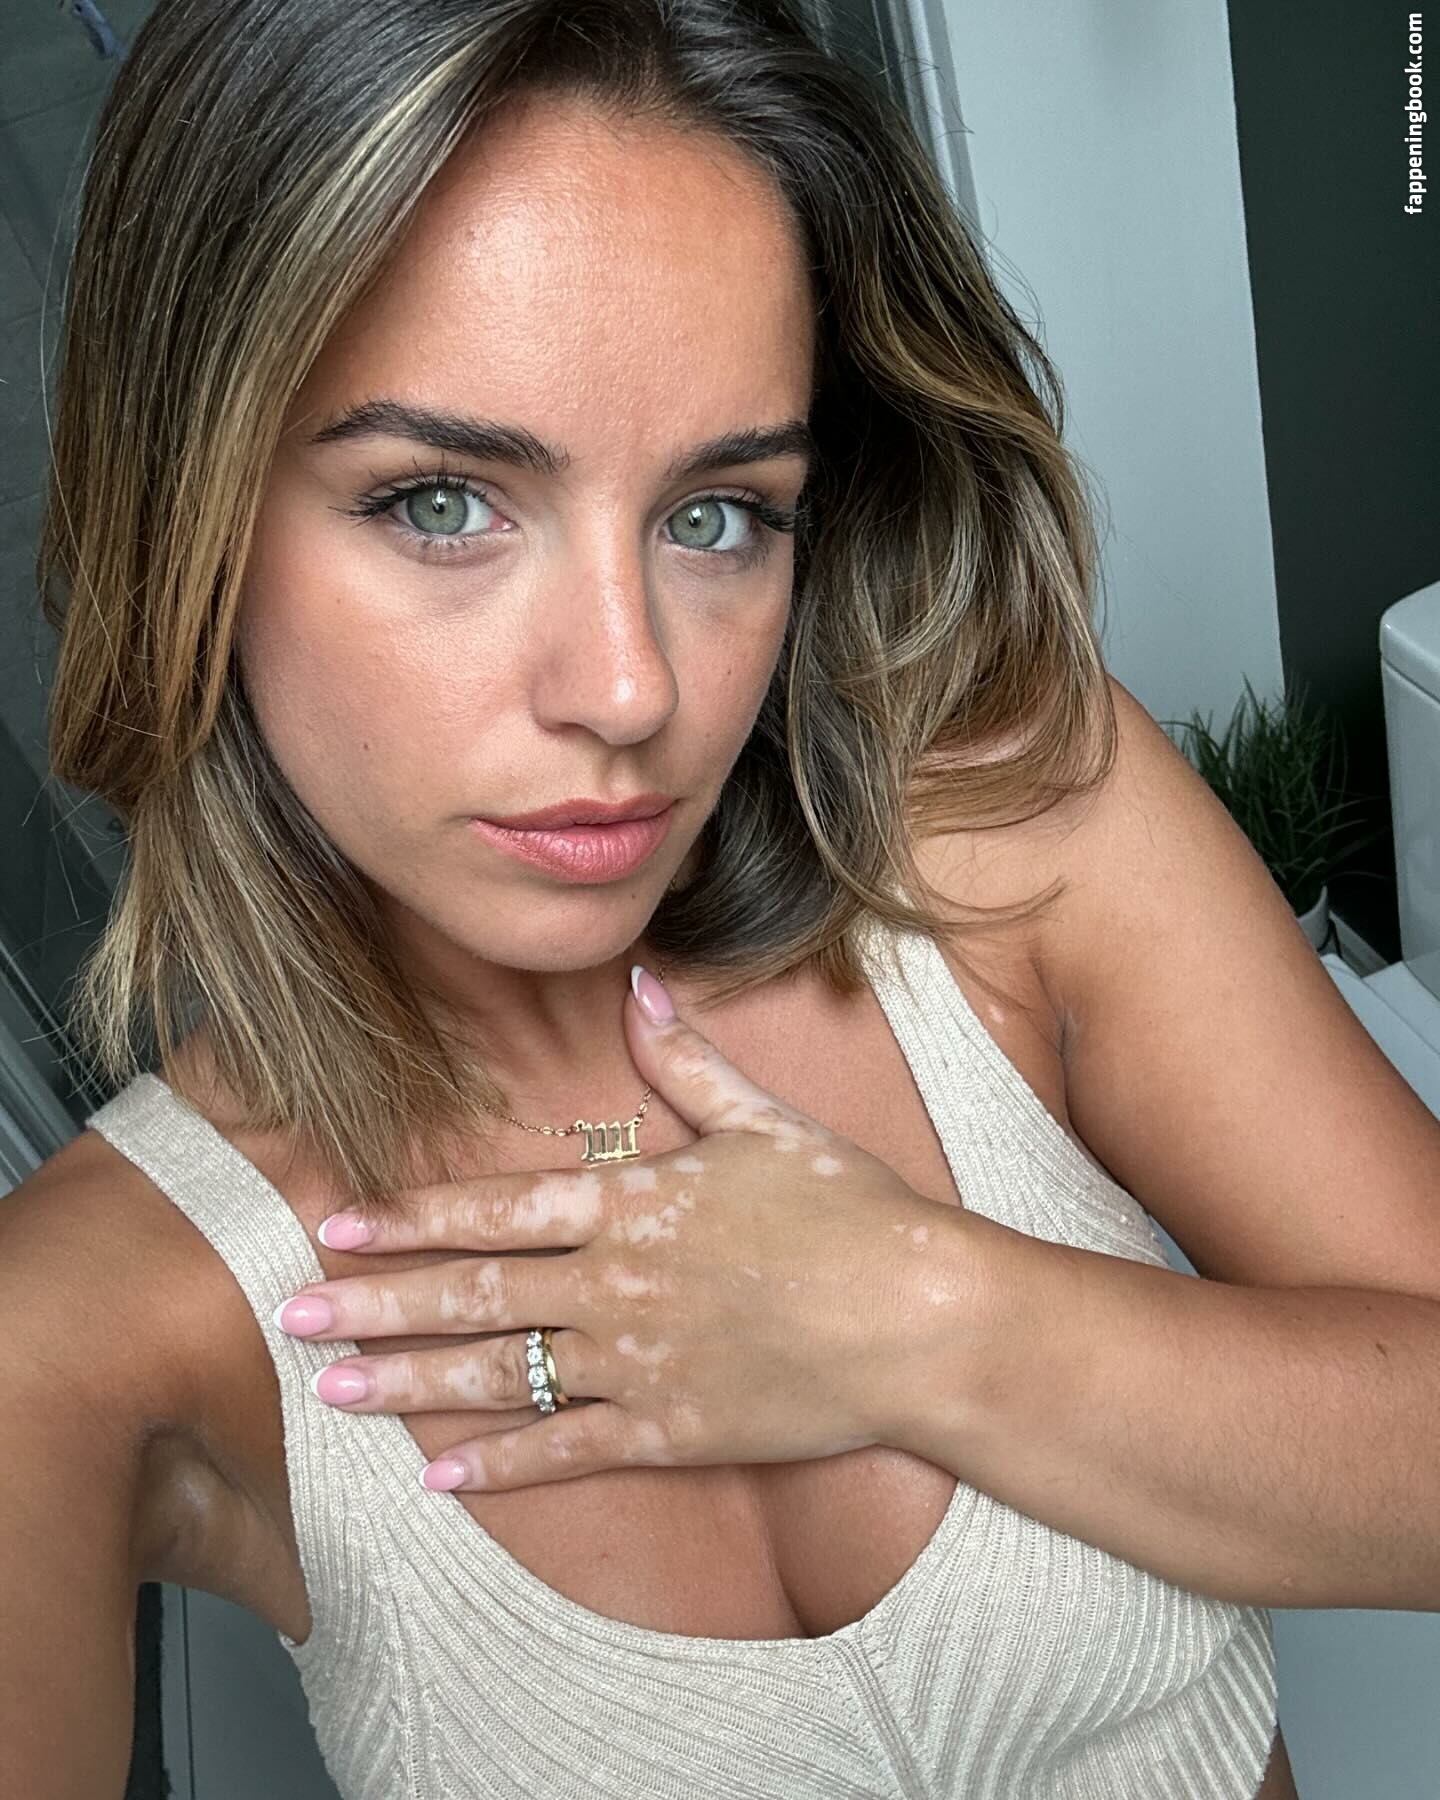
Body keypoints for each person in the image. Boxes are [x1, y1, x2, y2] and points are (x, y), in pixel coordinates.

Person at [3, 0, 1298, 1794]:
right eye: (441, 501)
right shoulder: (82, 1331)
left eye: (716, 516)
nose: (632, 689)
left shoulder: (998, 814)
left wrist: (919, 1320)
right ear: (188, 516)